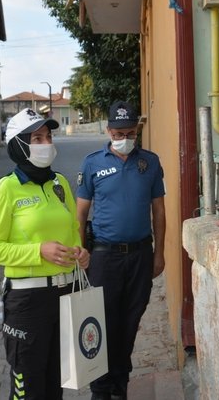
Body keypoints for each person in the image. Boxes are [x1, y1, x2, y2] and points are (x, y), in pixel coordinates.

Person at [0, 108, 90, 400]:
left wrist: (81, 253)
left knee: (56, 385)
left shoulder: (59, 183)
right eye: (37, 138)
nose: (47, 144)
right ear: (19, 145)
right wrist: (38, 251)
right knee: (28, 388)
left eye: (49, 137)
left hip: (65, 295)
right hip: (27, 302)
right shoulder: (6, 188)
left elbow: (72, 232)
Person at [76, 101, 166, 400]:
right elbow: (80, 214)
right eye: (118, 134)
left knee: (130, 321)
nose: (124, 139)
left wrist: (159, 253)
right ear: (108, 131)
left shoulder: (149, 163)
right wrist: (81, 254)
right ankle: (101, 390)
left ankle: (120, 385)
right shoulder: (92, 163)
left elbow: (159, 211)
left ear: (137, 131)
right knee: (103, 322)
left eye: (130, 133)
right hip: (104, 256)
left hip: (140, 255)